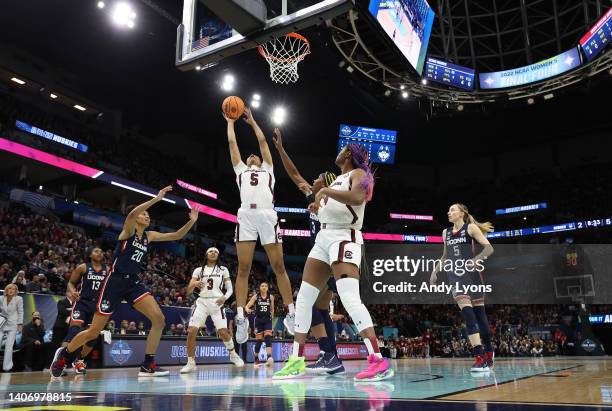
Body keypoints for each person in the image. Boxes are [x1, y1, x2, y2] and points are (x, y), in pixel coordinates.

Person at [50, 186, 199, 377]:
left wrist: (191, 222)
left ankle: (148, 364)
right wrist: (157, 198)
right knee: (93, 331)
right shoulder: (128, 231)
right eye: (144, 214)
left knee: (159, 319)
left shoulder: (149, 236)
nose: (147, 217)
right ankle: (65, 355)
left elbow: (176, 235)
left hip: (132, 283)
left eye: (148, 215)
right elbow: (132, 213)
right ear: (136, 217)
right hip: (114, 282)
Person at [274, 143, 392, 381]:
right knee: (304, 299)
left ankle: (377, 360)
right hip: (323, 239)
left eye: (342, 149)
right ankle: (296, 360)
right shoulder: (331, 184)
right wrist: (280, 148)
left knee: (350, 299)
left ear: (348, 154)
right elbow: (297, 176)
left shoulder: (358, 174)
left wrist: (325, 192)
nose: (337, 151)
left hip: (344, 237)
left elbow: (358, 197)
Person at [272, 128, 344, 374]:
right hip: (323, 256)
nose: (311, 180)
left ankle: (328, 353)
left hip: (332, 256)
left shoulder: (333, 202)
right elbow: (293, 174)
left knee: (310, 304)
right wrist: (281, 149)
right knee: (320, 307)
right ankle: (332, 358)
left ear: (326, 184)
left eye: (317, 178)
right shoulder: (312, 195)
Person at [224, 108, 295, 344]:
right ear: (246, 161)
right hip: (246, 214)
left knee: (279, 267)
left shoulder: (268, 169)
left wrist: (253, 122)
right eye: (250, 156)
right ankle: (242, 317)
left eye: (255, 155)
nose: (253, 155)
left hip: (267, 215)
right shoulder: (240, 170)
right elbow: (233, 144)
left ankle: (291, 314)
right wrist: (231, 123)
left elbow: (263, 141)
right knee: (243, 268)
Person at [429, 203, 494, 372]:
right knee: (469, 317)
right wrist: (435, 271)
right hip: (456, 277)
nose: (448, 212)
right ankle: (479, 357)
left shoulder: (470, 228)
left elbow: (489, 248)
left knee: (481, 318)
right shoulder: (446, 233)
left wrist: (476, 259)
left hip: (473, 276)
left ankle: (488, 351)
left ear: (462, 213)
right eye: (449, 209)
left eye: (452, 210)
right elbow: (445, 255)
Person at [181, 247, 244, 373]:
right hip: (202, 302)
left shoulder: (223, 269)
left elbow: (230, 288)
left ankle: (233, 354)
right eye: (210, 251)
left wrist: (224, 297)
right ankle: (190, 362)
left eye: (216, 251)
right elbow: (188, 291)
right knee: (192, 330)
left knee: (223, 332)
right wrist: (194, 284)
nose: (213, 253)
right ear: (206, 254)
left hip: (217, 303)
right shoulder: (198, 270)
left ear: (218, 255)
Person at [245, 282, 274, 367]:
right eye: (262, 286)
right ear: (260, 288)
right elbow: (247, 306)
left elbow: (272, 309)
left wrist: (272, 318)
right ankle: (256, 358)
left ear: (267, 288)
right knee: (259, 341)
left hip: (267, 320)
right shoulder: (256, 296)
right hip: (258, 320)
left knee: (268, 337)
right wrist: (247, 309)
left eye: (265, 286)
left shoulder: (271, 297)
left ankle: (269, 358)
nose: (264, 287)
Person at [0, 284, 23, 371]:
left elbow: (20, 311)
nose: (11, 290)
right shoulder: (1, 298)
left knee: (9, 346)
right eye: (10, 288)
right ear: (6, 289)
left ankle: (7, 367)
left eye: (13, 289)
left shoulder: (19, 299)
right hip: (2, 323)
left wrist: (20, 324)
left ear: (15, 291)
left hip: (13, 324)